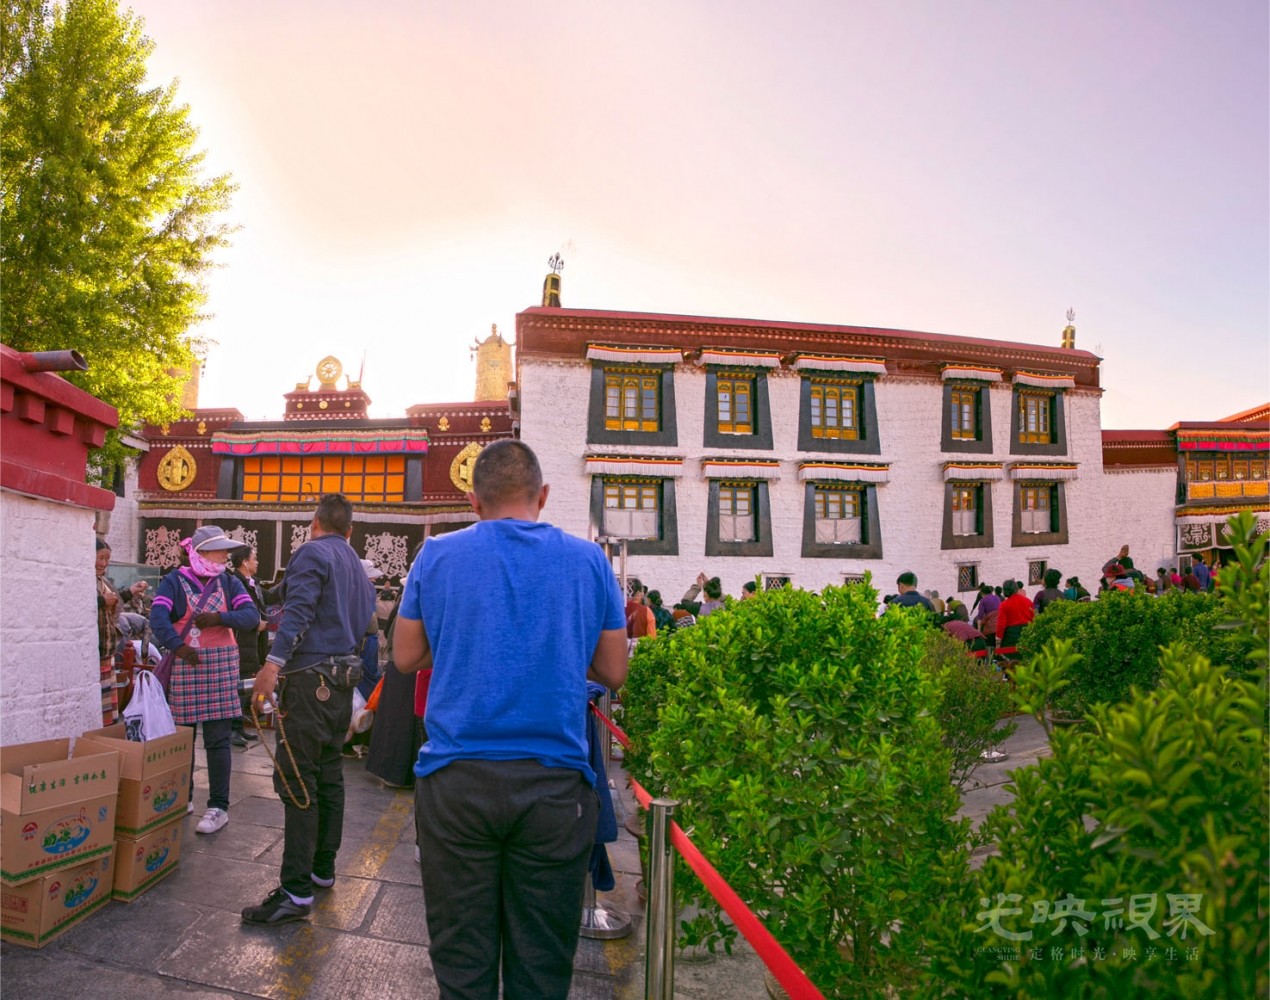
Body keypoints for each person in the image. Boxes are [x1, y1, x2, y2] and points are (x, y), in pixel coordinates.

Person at [393, 440, 628, 1000]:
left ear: (475, 502)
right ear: (542, 495)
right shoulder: (588, 560)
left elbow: (404, 656)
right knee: (542, 967)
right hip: (554, 789)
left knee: (462, 961)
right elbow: (614, 670)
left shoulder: (437, 555)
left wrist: (457, 642)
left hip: (456, 784)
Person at [241, 494, 376, 926]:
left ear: (314, 522)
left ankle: (295, 892)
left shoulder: (311, 552)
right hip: (341, 683)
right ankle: (322, 868)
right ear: (349, 529)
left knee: (298, 780)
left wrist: (271, 664)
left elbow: (297, 613)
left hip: (309, 681)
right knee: (329, 775)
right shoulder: (356, 564)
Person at [150, 526, 259, 835]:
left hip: (221, 667)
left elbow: (251, 617)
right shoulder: (173, 581)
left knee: (218, 739)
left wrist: (219, 618)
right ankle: (182, 798)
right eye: (220, 550)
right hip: (187, 665)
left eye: (227, 550)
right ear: (200, 553)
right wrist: (179, 646)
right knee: (184, 738)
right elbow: (157, 617)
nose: (226, 555)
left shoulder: (229, 582)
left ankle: (218, 807)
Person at [228, 546, 269, 747]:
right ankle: (233, 729)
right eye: (254, 558)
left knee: (243, 687)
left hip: (252, 642)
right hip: (240, 641)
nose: (257, 562)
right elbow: (236, 612)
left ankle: (239, 727)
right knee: (236, 687)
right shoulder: (235, 583)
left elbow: (267, 600)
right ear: (244, 562)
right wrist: (255, 624)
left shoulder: (253, 585)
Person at [996, 579, 1035, 647]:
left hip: (1011, 636)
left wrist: (998, 639)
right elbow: (1033, 618)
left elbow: (1001, 625)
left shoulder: (1004, 605)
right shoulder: (1028, 601)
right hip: (1027, 634)